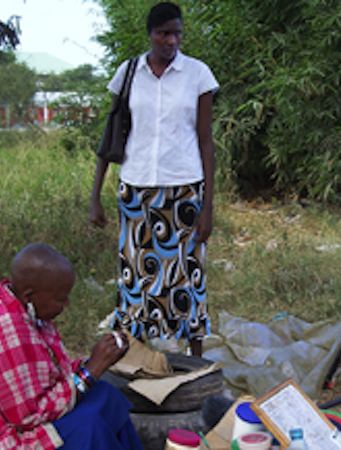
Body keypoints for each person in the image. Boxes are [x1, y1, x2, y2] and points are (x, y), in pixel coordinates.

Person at [0, 243, 143, 450]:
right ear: (30, 295)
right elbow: (30, 417)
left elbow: (49, 374)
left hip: (8, 414)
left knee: (107, 396)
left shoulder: (25, 308)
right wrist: (90, 371)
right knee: (88, 428)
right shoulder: (6, 330)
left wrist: (95, 361)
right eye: (61, 299)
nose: (67, 304)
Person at [89, 2, 218, 357]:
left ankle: (195, 360)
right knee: (136, 277)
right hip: (136, 190)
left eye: (177, 33)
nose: (171, 40)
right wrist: (95, 196)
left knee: (187, 275)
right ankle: (136, 356)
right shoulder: (129, 73)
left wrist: (208, 206)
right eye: (163, 33)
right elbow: (110, 135)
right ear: (150, 34)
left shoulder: (198, 75)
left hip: (184, 191)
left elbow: (206, 142)